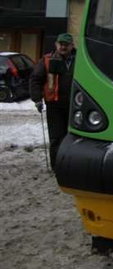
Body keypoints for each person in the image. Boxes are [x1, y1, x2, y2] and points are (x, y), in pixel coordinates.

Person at [29, 33, 76, 170]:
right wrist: (37, 99)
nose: (63, 47)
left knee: (73, 138)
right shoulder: (47, 60)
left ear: (72, 46)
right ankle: (57, 167)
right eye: (60, 44)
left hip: (75, 105)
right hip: (54, 105)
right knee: (56, 138)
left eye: (66, 44)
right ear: (56, 44)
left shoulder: (80, 59)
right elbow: (35, 79)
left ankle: (71, 166)